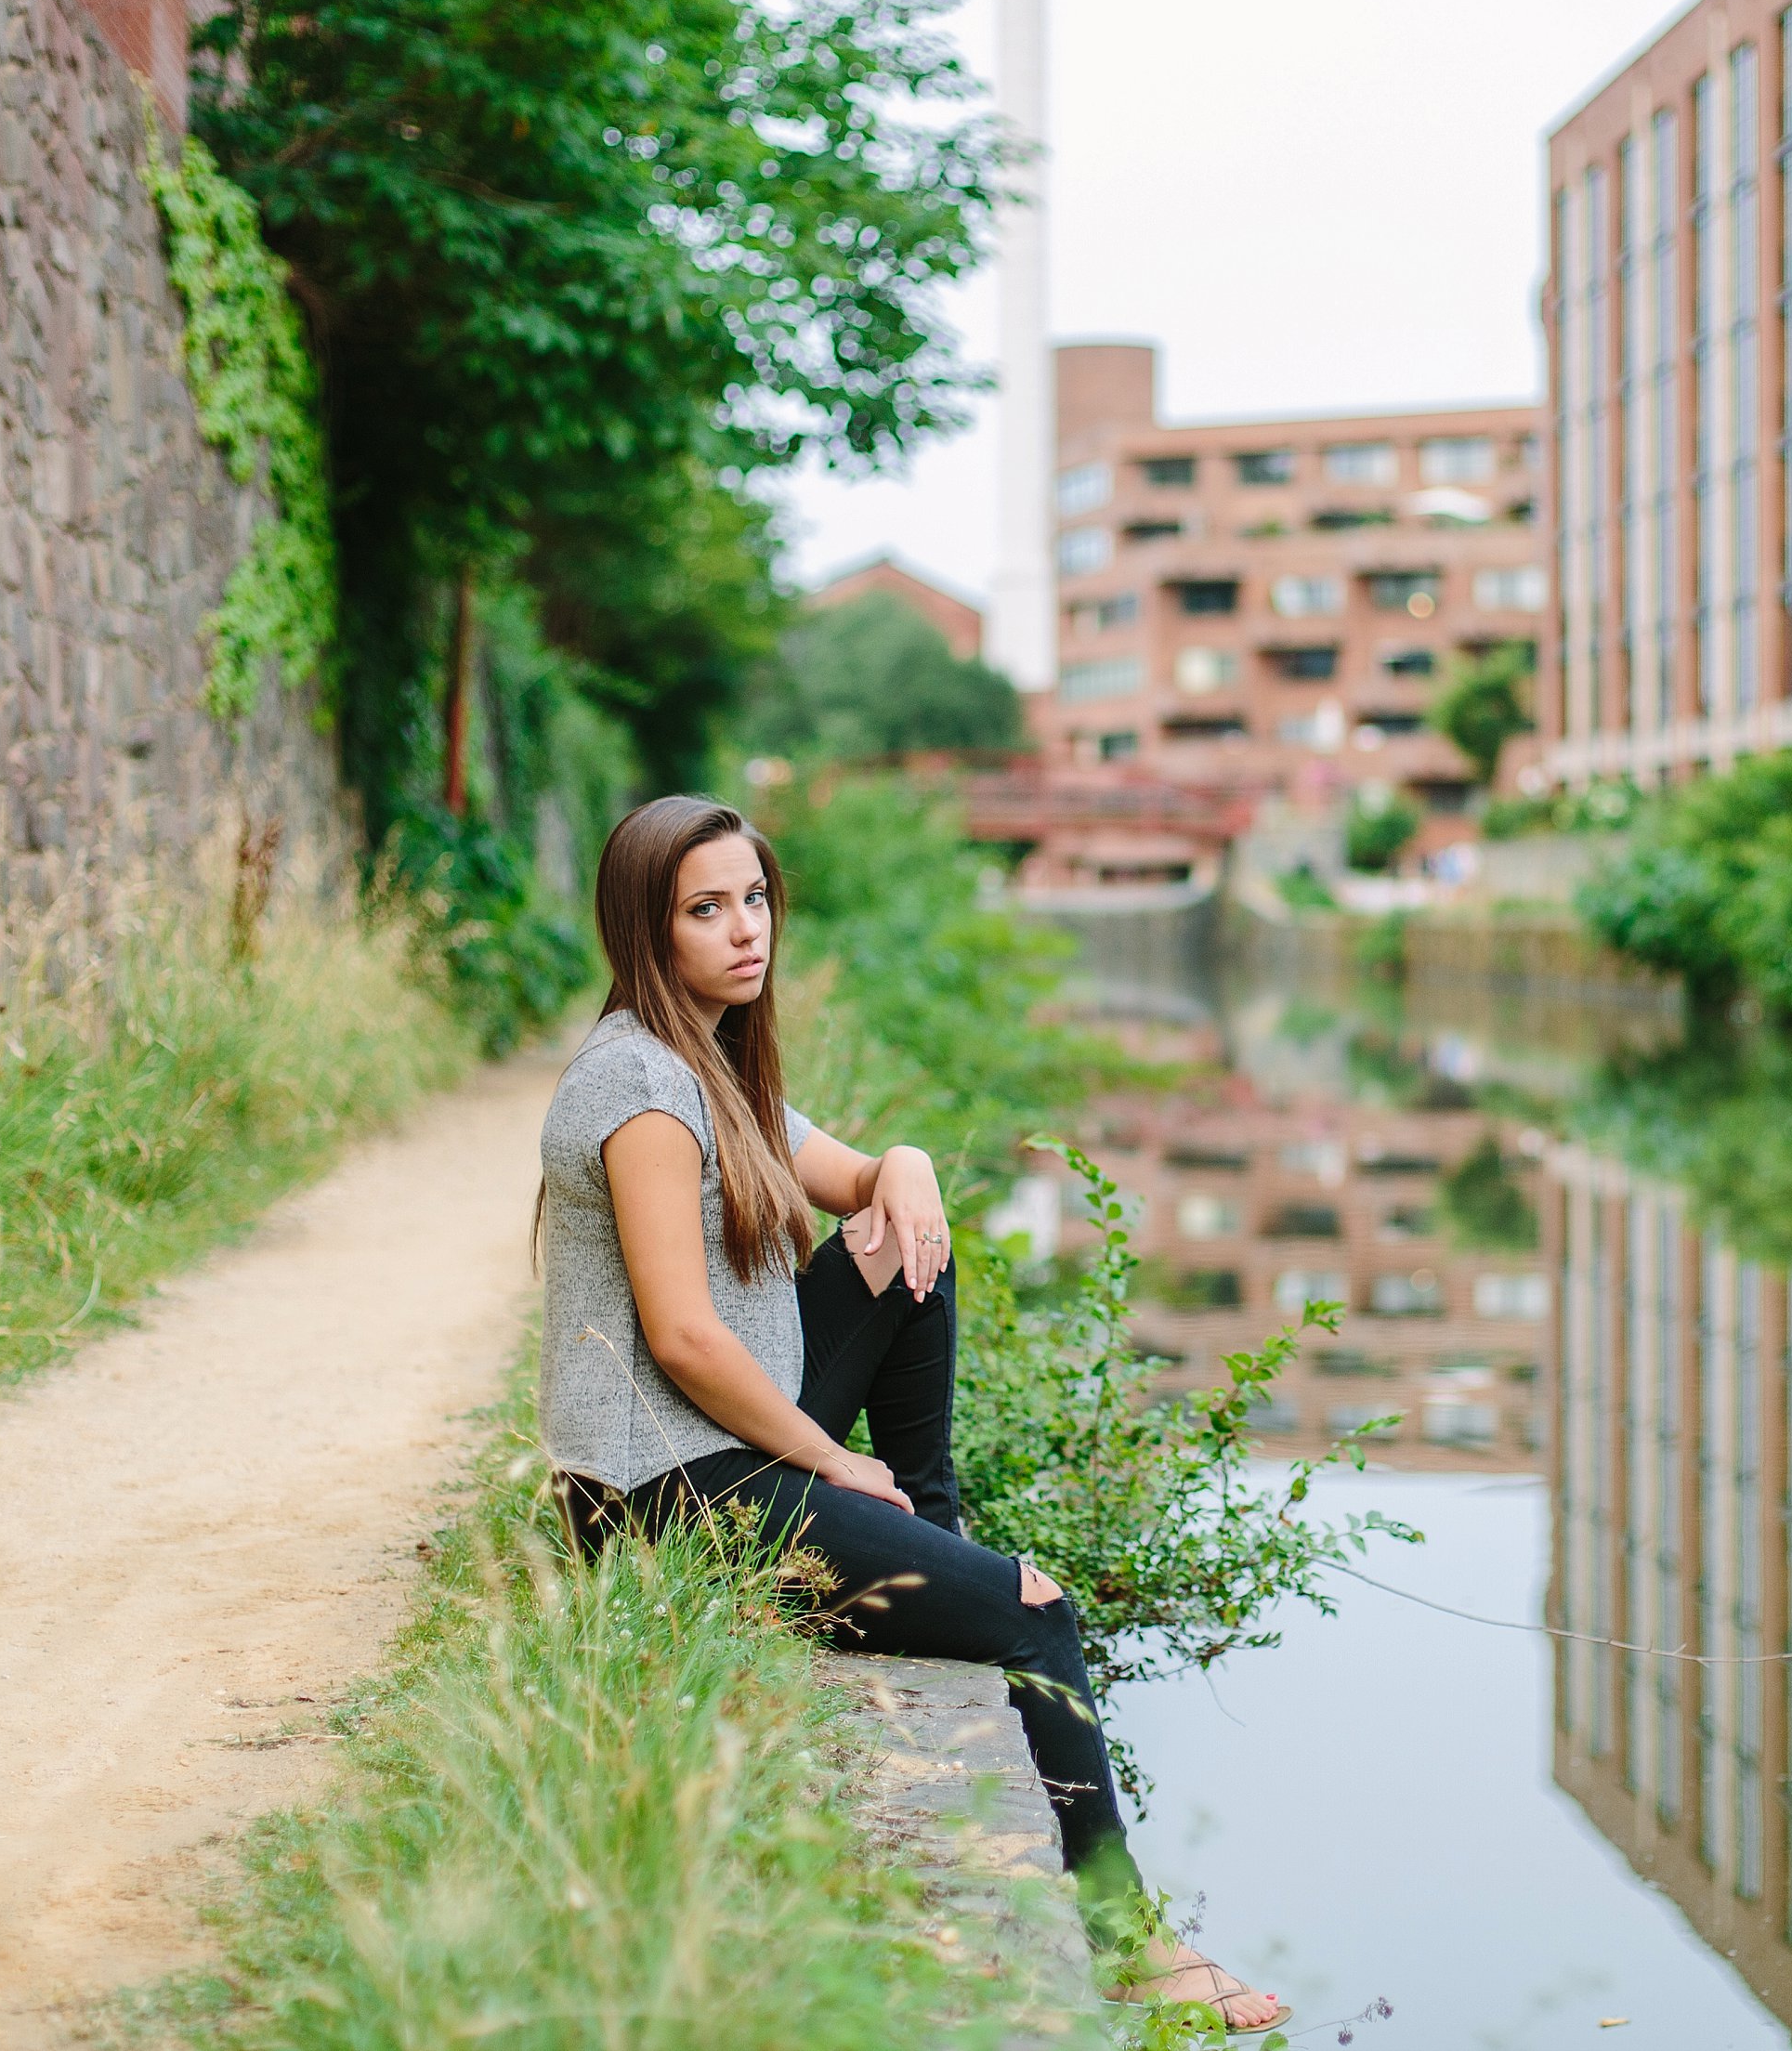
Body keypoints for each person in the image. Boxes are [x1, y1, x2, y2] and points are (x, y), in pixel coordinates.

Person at [538, 794, 1287, 2035]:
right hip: (662, 1493)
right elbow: (679, 1334)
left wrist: (915, 1165)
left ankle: (933, 1543)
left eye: (756, 898)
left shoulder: (709, 1061)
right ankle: (1128, 1941)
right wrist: (833, 1457)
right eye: (705, 908)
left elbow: (866, 1183)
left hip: (720, 1442)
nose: (744, 929)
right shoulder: (640, 1085)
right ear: (646, 926)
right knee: (1042, 1616)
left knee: (905, 1239)